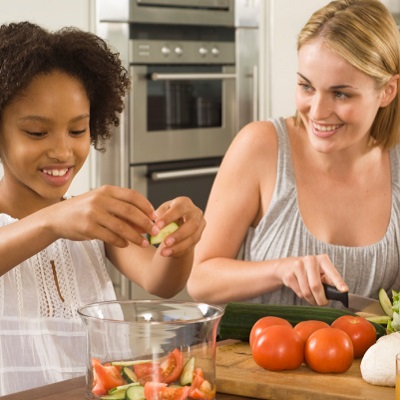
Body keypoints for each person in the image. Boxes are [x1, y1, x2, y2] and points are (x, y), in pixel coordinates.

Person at [0, 21, 205, 395]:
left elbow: (163, 282)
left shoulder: (92, 219)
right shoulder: (72, 216)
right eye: (36, 132)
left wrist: (181, 244)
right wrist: (55, 221)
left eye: (77, 131)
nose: (63, 151)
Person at [187, 0, 400, 307]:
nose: (318, 111)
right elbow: (199, 279)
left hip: (369, 356)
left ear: (387, 91)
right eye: (306, 86)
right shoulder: (260, 146)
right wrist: (281, 270)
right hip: (259, 355)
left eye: (340, 93)